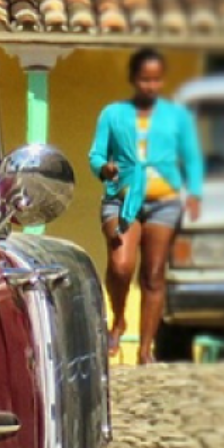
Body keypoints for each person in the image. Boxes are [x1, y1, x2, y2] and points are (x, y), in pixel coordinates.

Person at [89, 47, 205, 364]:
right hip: (121, 199)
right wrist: (104, 169)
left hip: (164, 201)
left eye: (155, 80)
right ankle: (119, 317)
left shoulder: (176, 116)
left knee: (154, 274)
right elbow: (96, 154)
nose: (150, 86)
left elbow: (192, 157)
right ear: (133, 79)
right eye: (144, 79)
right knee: (121, 265)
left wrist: (194, 193)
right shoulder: (113, 114)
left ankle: (145, 348)